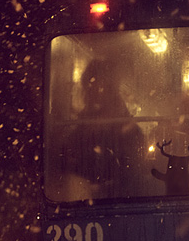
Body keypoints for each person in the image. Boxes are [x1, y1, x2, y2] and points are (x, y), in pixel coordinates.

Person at [59, 59, 147, 200]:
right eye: (91, 84)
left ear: (112, 89)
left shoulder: (129, 131)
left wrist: (100, 189)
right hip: (81, 208)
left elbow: (134, 178)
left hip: (119, 208)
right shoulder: (78, 131)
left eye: (103, 84)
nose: (97, 90)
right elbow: (65, 170)